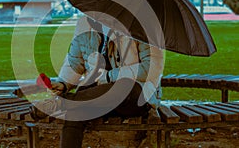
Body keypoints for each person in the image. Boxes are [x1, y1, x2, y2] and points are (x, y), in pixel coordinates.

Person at [30, 16, 164, 148]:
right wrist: (63, 83)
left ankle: (62, 102)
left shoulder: (142, 25)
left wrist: (110, 76)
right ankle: (63, 102)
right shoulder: (84, 23)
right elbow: (75, 61)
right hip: (95, 98)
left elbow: (152, 67)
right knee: (74, 113)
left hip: (134, 98)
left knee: (124, 85)